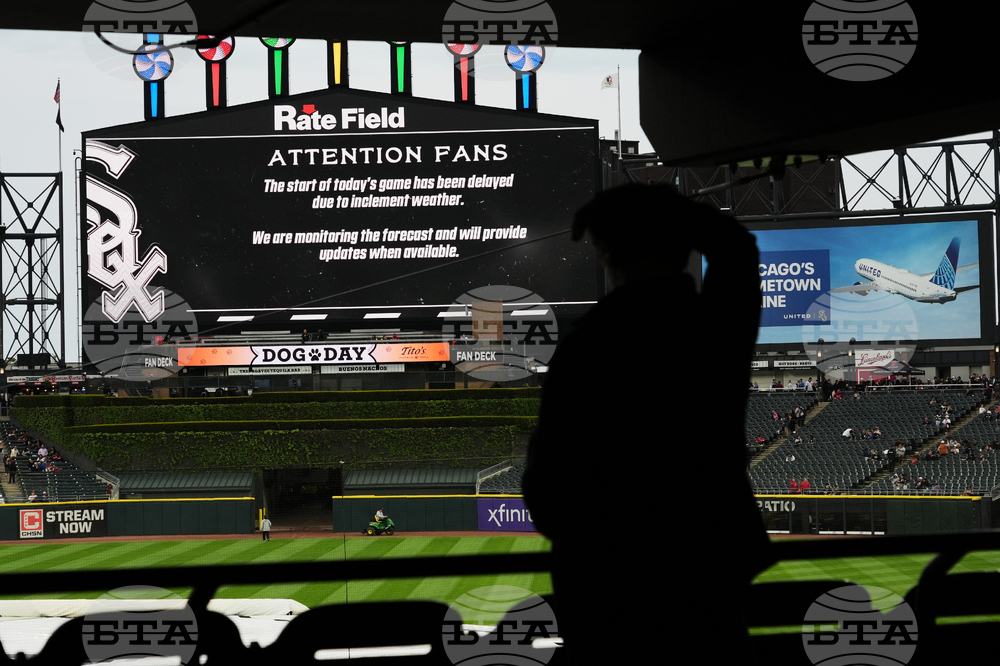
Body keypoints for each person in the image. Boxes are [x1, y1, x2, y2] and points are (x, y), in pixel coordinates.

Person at [522, 184, 771, 665]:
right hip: (708, 571)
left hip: (606, 583)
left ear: (608, 253)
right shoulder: (714, 326)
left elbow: (548, 489)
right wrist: (665, 209)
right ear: (681, 245)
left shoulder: (585, 349)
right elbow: (737, 247)